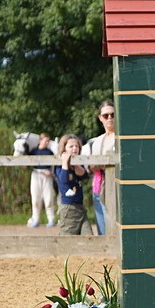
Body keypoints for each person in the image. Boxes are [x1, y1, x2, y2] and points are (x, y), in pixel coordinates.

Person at [81, 100, 116, 235]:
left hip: (114, 187)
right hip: (98, 185)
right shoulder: (96, 142)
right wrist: (92, 167)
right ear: (100, 118)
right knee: (101, 224)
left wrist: (101, 164)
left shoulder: (121, 138)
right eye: (106, 115)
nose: (110, 118)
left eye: (112, 115)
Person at [55, 133, 88, 235]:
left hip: (80, 208)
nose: (74, 148)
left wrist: (76, 164)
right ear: (64, 149)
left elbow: (84, 176)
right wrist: (65, 162)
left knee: (88, 237)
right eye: (71, 146)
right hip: (68, 208)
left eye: (77, 146)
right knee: (67, 240)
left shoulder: (78, 164)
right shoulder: (59, 165)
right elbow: (64, 180)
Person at [27, 133, 58, 228]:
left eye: (48, 141)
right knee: (36, 198)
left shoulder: (49, 152)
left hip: (47, 176)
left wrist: (51, 172)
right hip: (36, 174)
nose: (47, 143)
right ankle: (35, 219)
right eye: (45, 141)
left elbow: (54, 165)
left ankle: (51, 219)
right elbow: (28, 163)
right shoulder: (33, 151)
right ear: (40, 141)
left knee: (48, 198)